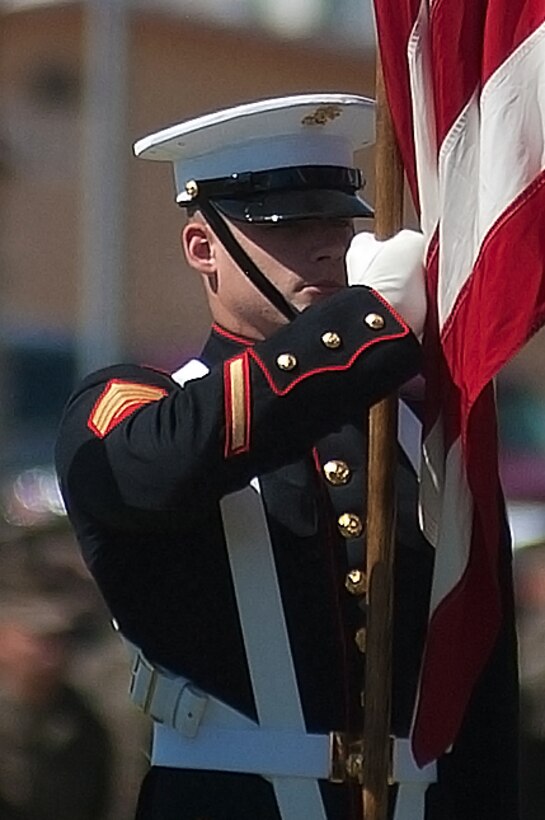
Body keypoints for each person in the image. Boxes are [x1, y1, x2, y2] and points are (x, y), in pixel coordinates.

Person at [55, 93, 519, 820]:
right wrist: (361, 327)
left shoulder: (418, 430)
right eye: (290, 224)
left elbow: (481, 688)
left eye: (339, 221)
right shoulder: (138, 400)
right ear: (204, 247)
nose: (328, 245)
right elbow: (150, 472)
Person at [0, 596, 113, 820]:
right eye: (38, 640)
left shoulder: (83, 722)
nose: (50, 654)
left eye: (58, 640)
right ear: (4, 642)